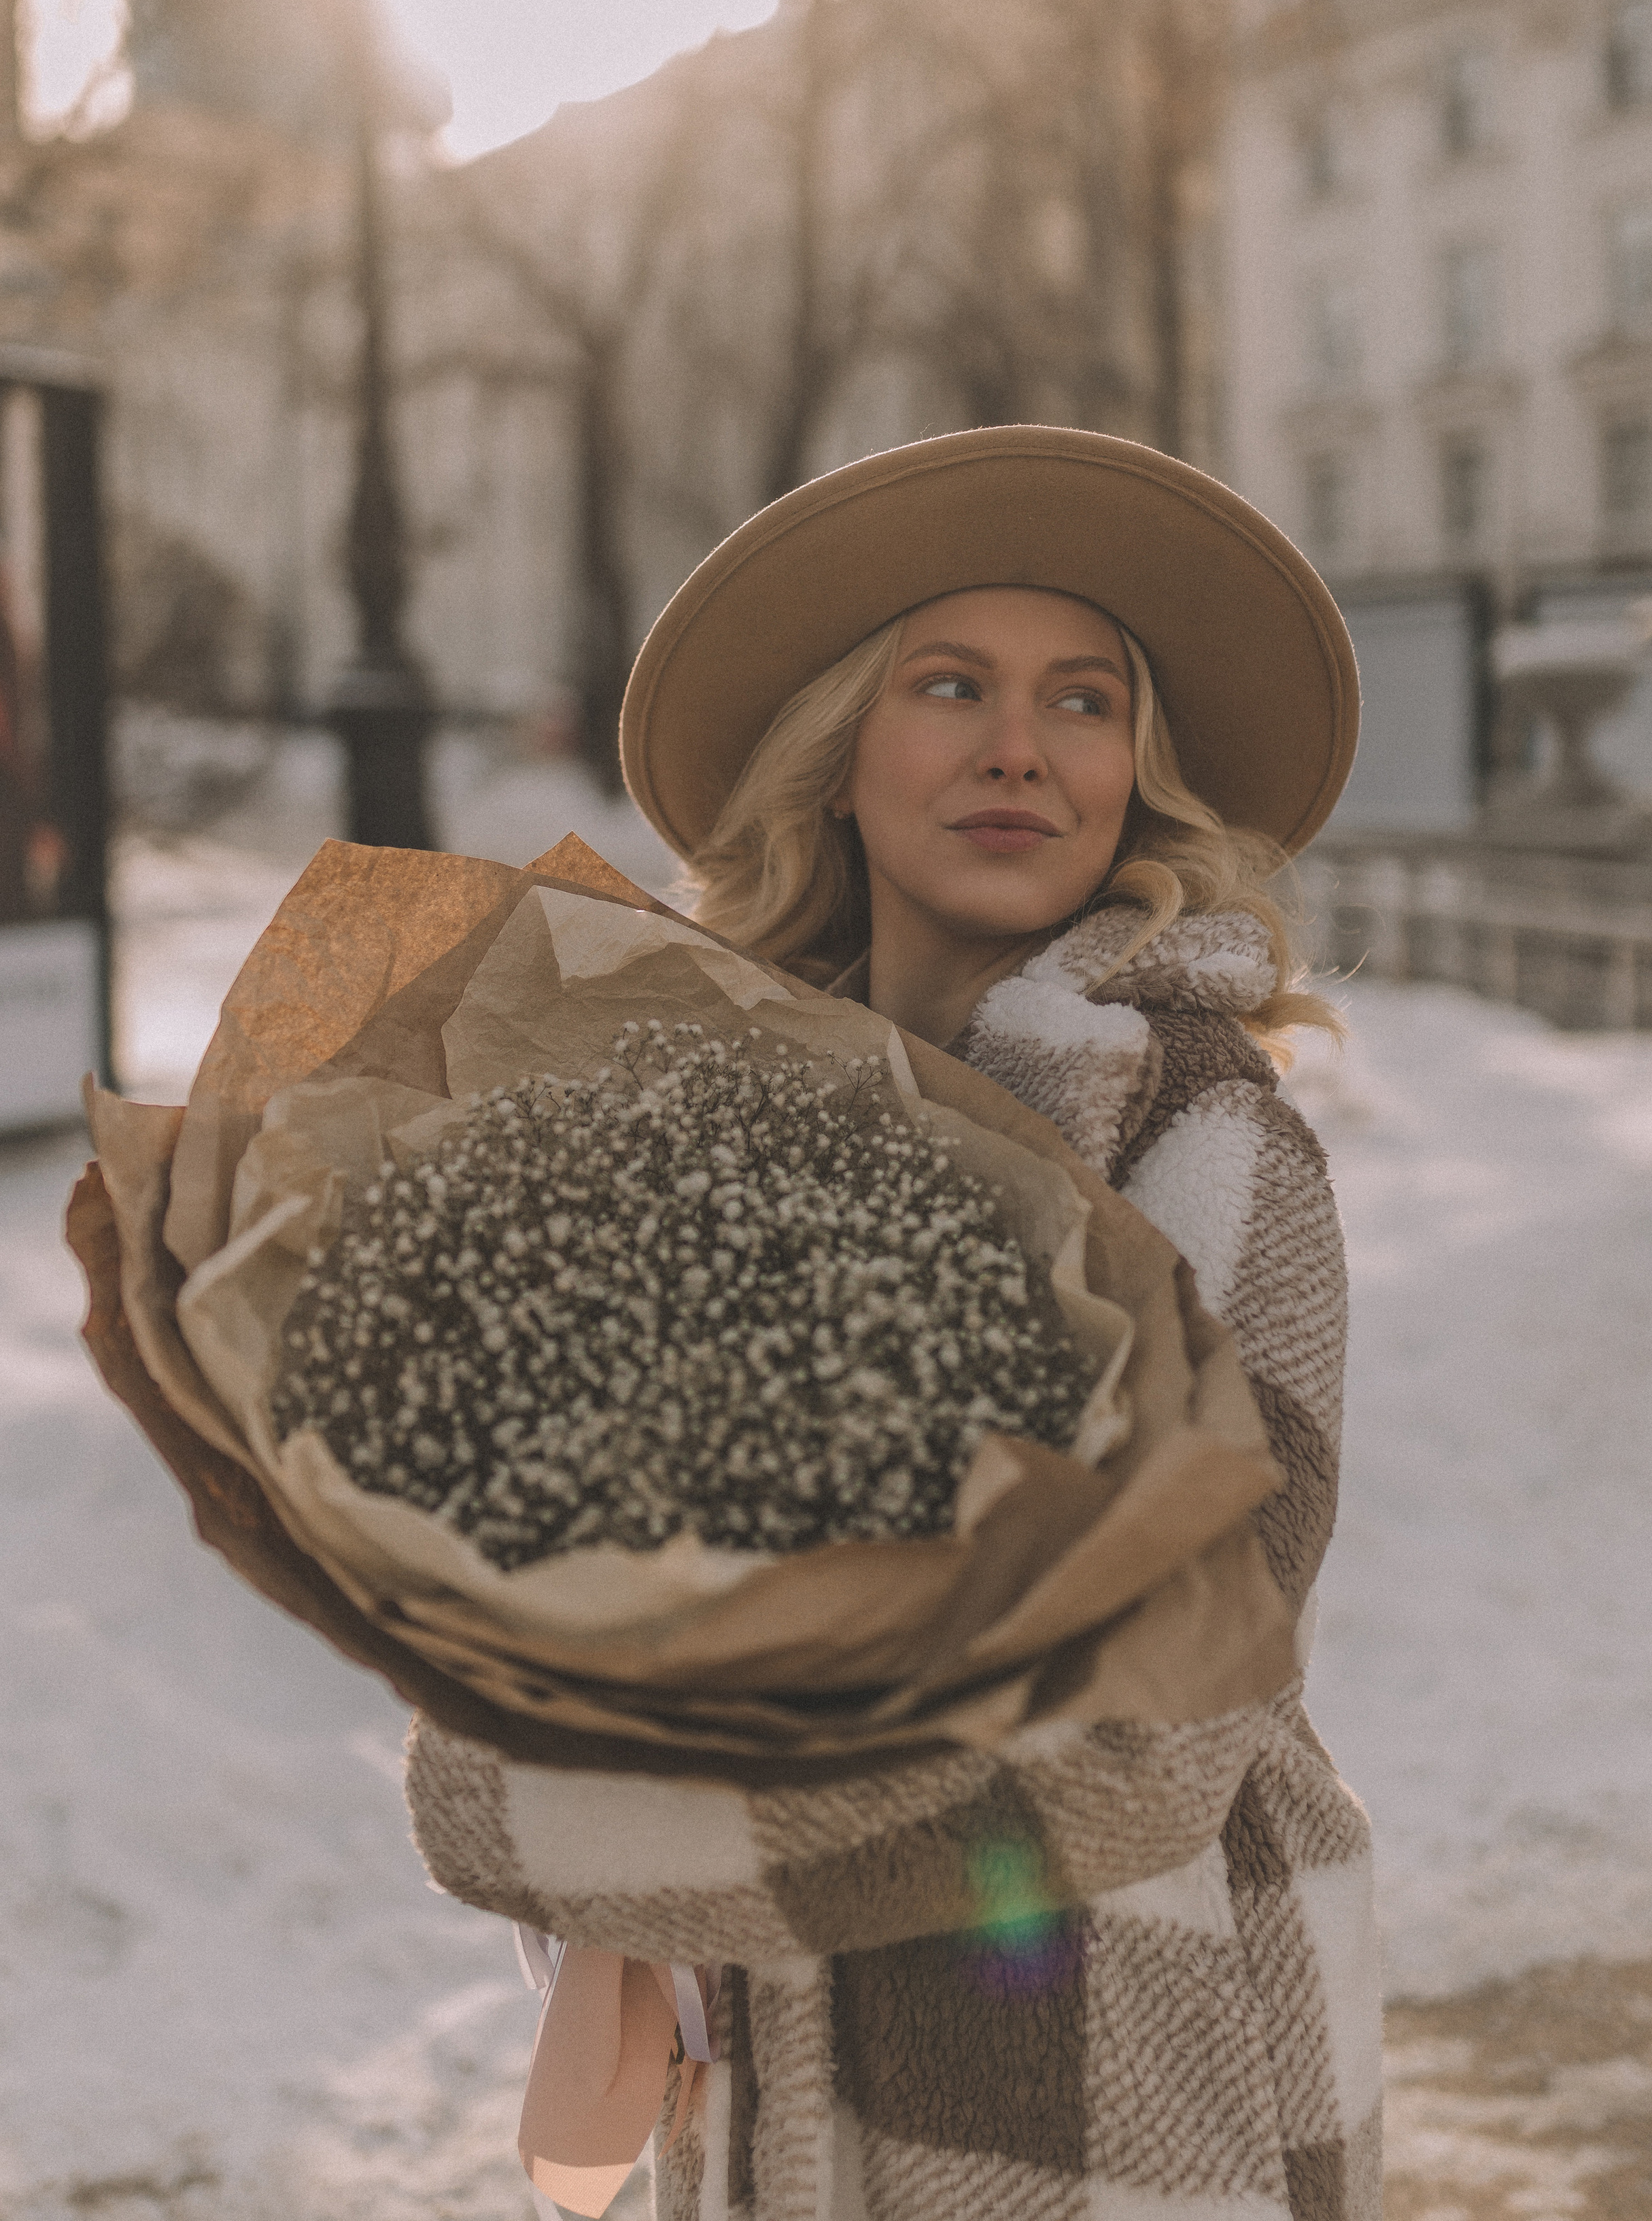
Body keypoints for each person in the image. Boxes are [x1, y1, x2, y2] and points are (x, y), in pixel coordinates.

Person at [409, 424, 1381, 2221]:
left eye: (1084, 701)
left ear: (1133, 775)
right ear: (838, 756)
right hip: (759, 2087)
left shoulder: (1204, 1146)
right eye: (952, 686)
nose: (1021, 746)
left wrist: (579, 1819)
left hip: (1103, 2095)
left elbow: (1136, 1730)